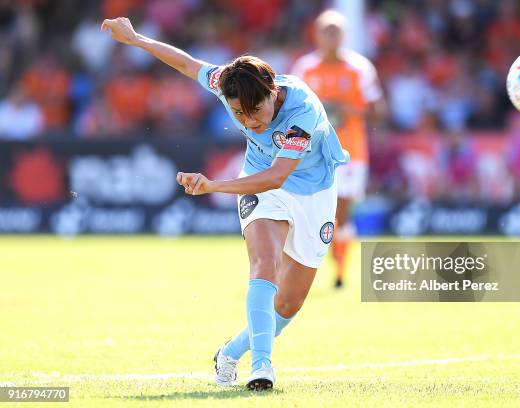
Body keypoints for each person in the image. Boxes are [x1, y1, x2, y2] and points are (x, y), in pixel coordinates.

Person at [101, 17, 348, 391]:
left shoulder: (303, 112)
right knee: (265, 262)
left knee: (288, 305)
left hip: (310, 190)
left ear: (272, 92)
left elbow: (278, 176)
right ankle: (262, 368)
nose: (249, 121)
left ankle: (230, 352)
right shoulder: (228, 81)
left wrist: (212, 185)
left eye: (256, 112)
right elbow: (186, 63)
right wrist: (136, 39)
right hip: (260, 181)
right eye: (239, 115)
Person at [291, 10, 385, 288]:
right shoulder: (304, 69)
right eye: (325, 30)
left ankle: (340, 271)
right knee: (307, 214)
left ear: (343, 35)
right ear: (316, 34)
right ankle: (302, 267)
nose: (330, 36)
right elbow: (291, 109)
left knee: (340, 212)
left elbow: (379, 110)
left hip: (349, 153)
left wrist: (349, 110)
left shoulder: (360, 68)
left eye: (336, 31)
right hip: (312, 152)